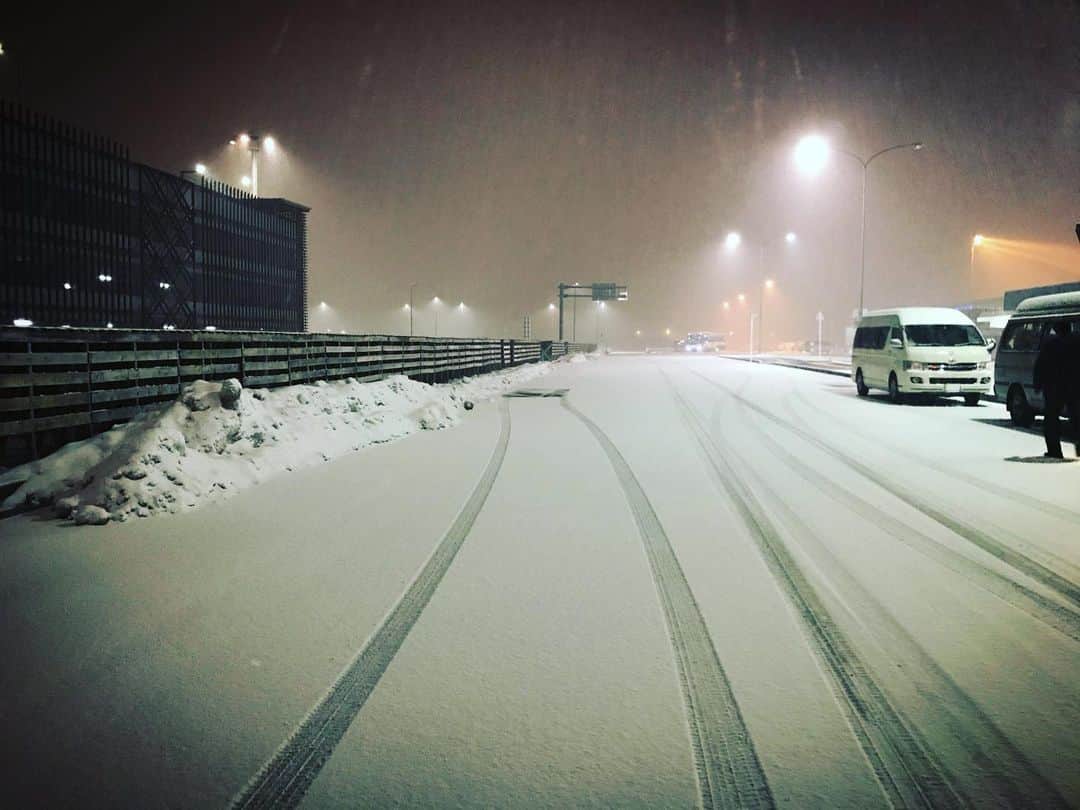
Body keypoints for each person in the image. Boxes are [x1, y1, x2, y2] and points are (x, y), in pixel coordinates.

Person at [1032, 324, 1080, 458]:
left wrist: (1037, 384)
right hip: (1075, 386)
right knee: (1076, 416)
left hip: (1054, 387)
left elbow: (1040, 364)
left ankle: (1055, 451)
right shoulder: (1077, 342)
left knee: (1051, 419)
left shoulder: (1050, 344)